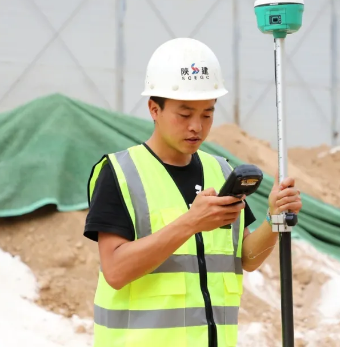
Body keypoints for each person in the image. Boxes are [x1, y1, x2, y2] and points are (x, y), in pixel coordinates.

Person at [83, 38, 302, 347]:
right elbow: (115, 271)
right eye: (185, 115)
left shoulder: (221, 171)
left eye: (207, 114)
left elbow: (247, 258)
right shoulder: (120, 173)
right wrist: (191, 222)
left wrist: (274, 219)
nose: (197, 127)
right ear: (154, 109)